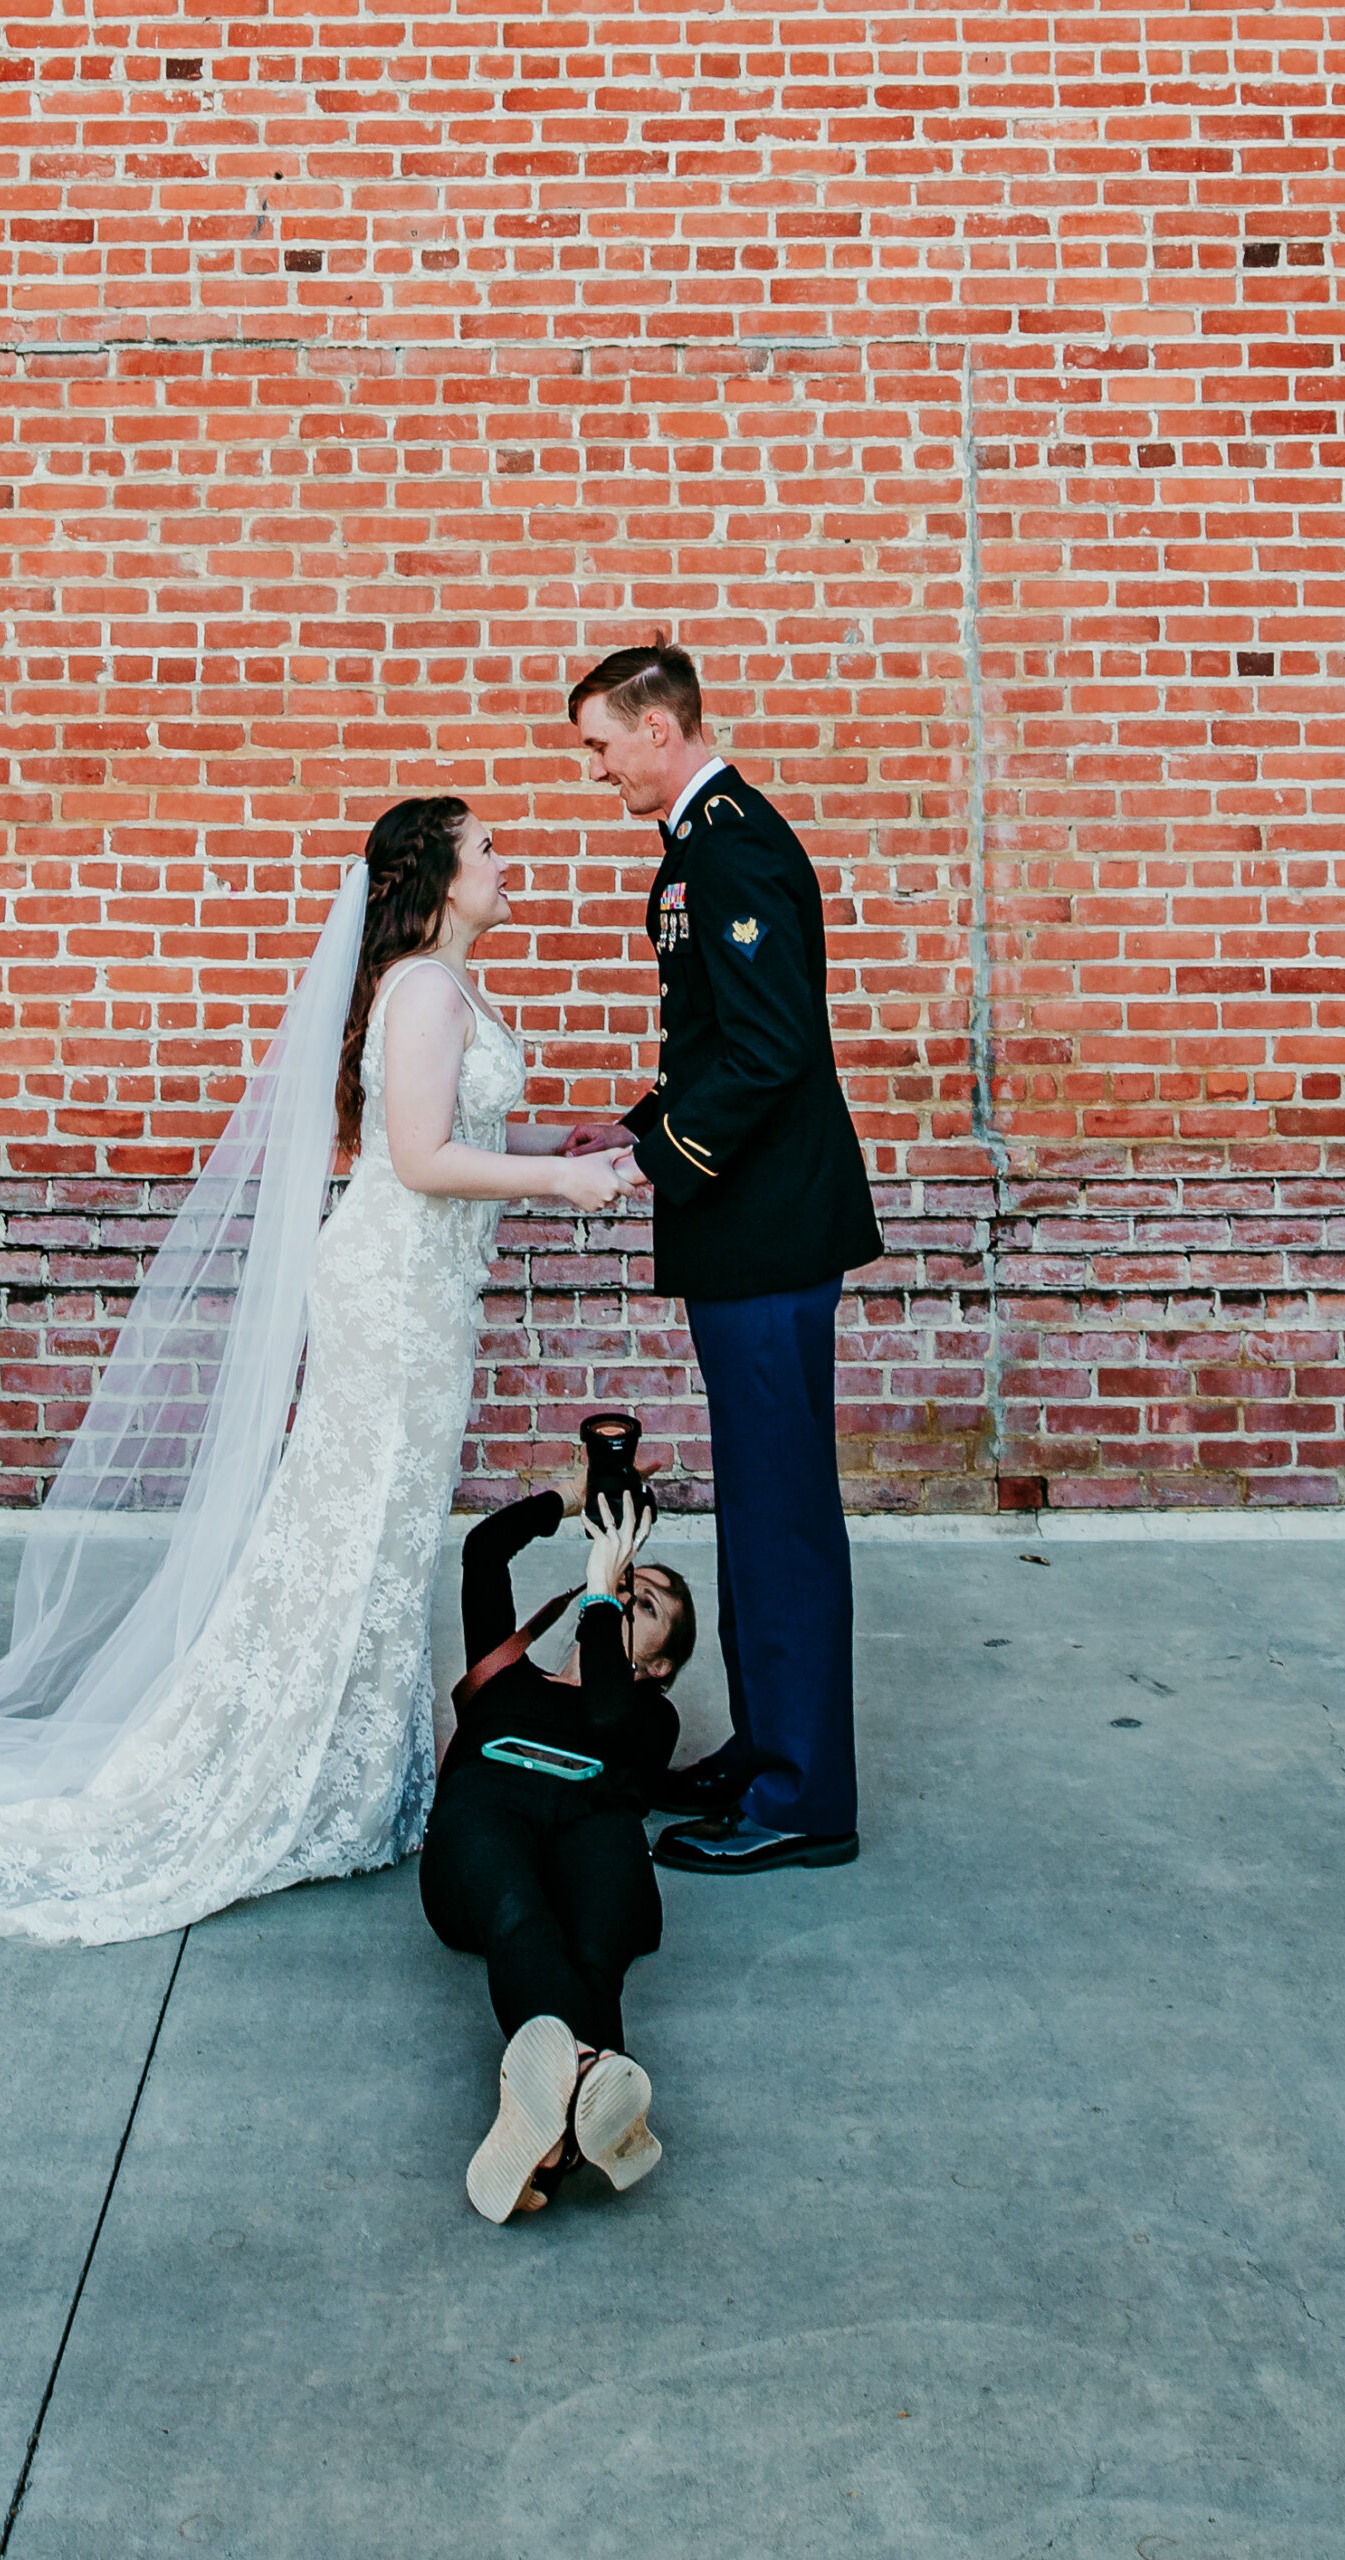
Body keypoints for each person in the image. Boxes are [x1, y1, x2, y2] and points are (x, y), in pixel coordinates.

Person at [0, 800, 641, 1946]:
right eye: (485, 848)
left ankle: (353, 1771)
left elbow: (447, 1131)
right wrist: (560, 1187)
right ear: (437, 877)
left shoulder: (451, 986)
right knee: (352, 1530)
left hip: (429, 1301)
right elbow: (425, 1161)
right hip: (390, 1296)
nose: (504, 861)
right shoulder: (425, 990)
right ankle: (280, 1772)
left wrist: (561, 1142)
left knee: (384, 1533)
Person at [563, 641, 883, 1876]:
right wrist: (636, 1124)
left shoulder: (731, 848)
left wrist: (659, 1159)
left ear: (660, 727)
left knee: (782, 1517)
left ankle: (803, 1798)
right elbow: (712, 1042)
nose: (596, 769)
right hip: (751, 1231)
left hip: (768, 1234)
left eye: (601, 744)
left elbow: (769, 1052)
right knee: (758, 1509)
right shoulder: (704, 842)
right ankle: (769, 1751)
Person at [420, 1460, 695, 2221]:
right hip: (486, 1818)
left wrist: (602, 1590)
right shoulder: (508, 1677)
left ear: (659, 1663)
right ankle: (593, 2091)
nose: (625, 1596)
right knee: (521, 1919)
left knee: (595, 1951)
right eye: (625, 1585)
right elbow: (483, 1551)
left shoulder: (650, 1716)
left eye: (644, 1604)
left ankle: (548, 2131)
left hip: (588, 1827)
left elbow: (604, 1713)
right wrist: (571, 1494)